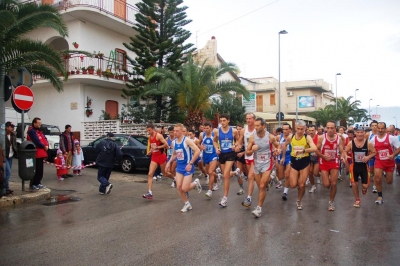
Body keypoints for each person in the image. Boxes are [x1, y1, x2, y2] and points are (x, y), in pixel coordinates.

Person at [245, 118, 280, 217]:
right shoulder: (252, 138)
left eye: (257, 126)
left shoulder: (270, 137)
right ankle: (272, 177)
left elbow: (278, 146)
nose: (255, 127)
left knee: (262, 186)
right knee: (261, 185)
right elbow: (247, 152)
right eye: (255, 125)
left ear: (264, 126)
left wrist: (277, 150)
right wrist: (252, 150)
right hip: (257, 164)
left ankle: (259, 209)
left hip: (267, 163)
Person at [166, 123, 202, 212]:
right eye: (174, 131)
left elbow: (197, 151)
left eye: (177, 131)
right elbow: (174, 154)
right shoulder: (174, 142)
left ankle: (196, 183)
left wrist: (190, 163)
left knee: (185, 188)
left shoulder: (187, 141)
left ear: (182, 131)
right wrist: (169, 163)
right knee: (178, 187)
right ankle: (187, 204)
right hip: (179, 167)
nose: (175, 132)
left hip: (188, 167)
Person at [281, 120, 317, 210]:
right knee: (293, 185)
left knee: (301, 185)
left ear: (305, 129)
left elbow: (314, 148)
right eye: (298, 129)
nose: (300, 131)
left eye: (302, 129)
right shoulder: (291, 136)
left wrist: (303, 150)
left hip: (304, 162)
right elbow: (285, 145)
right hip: (294, 162)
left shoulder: (307, 137)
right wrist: (283, 157)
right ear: (295, 128)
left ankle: (299, 200)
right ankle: (300, 187)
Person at [343, 127, 376, 207]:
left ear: (364, 133)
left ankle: (364, 188)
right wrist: (345, 156)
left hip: (364, 166)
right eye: (358, 132)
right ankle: (357, 199)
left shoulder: (368, 143)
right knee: (354, 184)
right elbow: (345, 151)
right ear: (355, 133)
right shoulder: (351, 143)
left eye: (362, 132)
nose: (360, 134)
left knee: (365, 185)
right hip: (354, 166)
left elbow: (374, 152)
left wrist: (368, 157)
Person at [316, 120, 345, 211]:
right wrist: (323, 156)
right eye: (328, 128)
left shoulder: (338, 138)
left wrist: (343, 157)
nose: (329, 130)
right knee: (326, 184)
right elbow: (316, 150)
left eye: (332, 128)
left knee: (334, 183)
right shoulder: (321, 138)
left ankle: (331, 202)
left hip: (334, 161)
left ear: (335, 129)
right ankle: (325, 179)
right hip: (324, 162)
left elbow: (341, 150)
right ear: (325, 128)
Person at [213, 114, 241, 207]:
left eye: (224, 120)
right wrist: (216, 148)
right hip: (222, 154)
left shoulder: (233, 131)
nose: (222, 122)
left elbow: (238, 140)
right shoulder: (217, 131)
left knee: (225, 175)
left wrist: (235, 146)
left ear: (228, 121)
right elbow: (214, 141)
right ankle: (236, 172)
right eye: (221, 121)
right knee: (226, 175)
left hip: (230, 154)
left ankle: (225, 198)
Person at [370, 122, 400, 204]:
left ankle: (385, 175)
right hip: (379, 162)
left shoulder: (391, 138)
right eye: (378, 128)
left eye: (382, 128)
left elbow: (399, 148)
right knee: (378, 179)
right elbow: (370, 150)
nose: (380, 130)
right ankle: (380, 197)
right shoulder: (373, 139)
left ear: (385, 129)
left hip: (389, 162)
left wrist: (393, 155)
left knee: (389, 182)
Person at [143, 124, 169, 200]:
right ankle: (149, 192)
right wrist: (150, 151)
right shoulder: (149, 137)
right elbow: (152, 146)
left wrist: (157, 147)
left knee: (165, 174)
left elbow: (166, 145)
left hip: (161, 156)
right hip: (154, 156)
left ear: (153, 129)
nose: (148, 132)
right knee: (150, 174)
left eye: (149, 130)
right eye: (147, 130)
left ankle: (175, 178)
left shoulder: (159, 136)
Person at [237, 113, 256, 208]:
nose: (248, 120)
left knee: (251, 176)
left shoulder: (258, 129)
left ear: (254, 120)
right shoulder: (244, 130)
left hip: (257, 156)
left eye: (250, 118)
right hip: (248, 156)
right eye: (247, 118)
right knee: (252, 177)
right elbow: (240, 142)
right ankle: (267, 181)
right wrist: (237, 147)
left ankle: (248, 198)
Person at [27, 117, 49, 190]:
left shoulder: (39, 131)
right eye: (38, 123)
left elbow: (44, 139)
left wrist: (46, 145)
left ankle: (38, 182)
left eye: (40, 123)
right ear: (34, 123)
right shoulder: (32, 131)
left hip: (41, 153)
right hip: (35, 154)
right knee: (35, 169)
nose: (40, 124)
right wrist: (44, 146)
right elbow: (36, 141)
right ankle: (33, 183)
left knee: (40, 170)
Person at [198, 122, 219, 198]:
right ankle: (217, 179)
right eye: (204, 128)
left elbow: (218, 142)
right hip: (205, 155)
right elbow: (197, 143)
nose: (206, 130)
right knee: (209, 172)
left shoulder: (214, 134)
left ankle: (210, 191)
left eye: (207, 128)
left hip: (213, 155)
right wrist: (201, 147)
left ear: (211, 128)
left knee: (210, 172)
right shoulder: (202, 135)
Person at [277, 123, 292, 200]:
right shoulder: (279, 137)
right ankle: (275, 179)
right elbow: (277, 146)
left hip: (289, 156)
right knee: (280, 176)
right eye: (283, 129)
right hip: (280, 156)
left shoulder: (292, 137)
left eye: (287, 129)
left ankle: (285, 192)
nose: (285, 131)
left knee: (287, 175)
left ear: (290, 129)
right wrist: (277, 150)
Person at [5, 121, 18, 195]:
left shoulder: (13, 135)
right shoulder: (3, 135)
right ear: (7, 127)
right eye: (11, 126)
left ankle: (6, 188)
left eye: (13, 127)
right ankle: (3, 187)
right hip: (5, 156)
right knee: (8, 172)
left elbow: (14, 144)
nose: (13, 128)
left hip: (10, 155)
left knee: (7, 173)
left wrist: (16, 151)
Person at [365, 120, 378, 192]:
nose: (374, 127)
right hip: (371, 155)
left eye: (376, 125)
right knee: (372, 171)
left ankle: (375, 186)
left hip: (378, 155)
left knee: (377, 171)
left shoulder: (381, 134)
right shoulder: (368, 134)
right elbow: (365, 143)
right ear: (371, 127)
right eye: (373, 126)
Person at [307, 125, 320, 192]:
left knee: (315, 173)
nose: (311, 132)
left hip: (317, 158)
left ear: (315, 130)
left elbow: (321, 147)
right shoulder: (306, 137)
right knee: (310, 173)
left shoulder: (319, 138)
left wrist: (317, 151)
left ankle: (319, 175)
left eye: (312, 130)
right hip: (309, 157)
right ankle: (313, 186)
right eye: (310, 130)